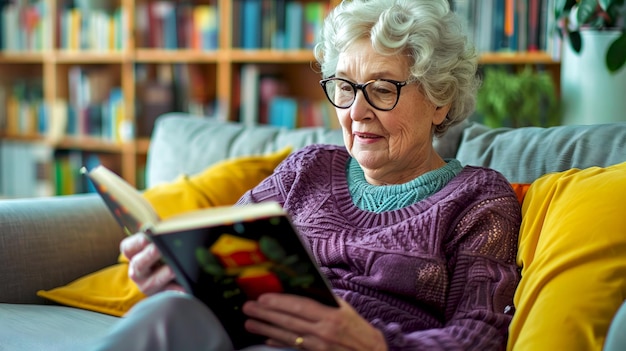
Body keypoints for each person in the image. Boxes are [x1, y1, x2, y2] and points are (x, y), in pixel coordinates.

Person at [91, 0, 521, 350]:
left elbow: (479, 334)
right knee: (168, 311)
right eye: (345, 88)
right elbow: (224, 263)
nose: (356, 112)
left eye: (383, 89)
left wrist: (372, 344)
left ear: (440, 100)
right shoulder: (307, 168)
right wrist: (179, 276)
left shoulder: (478, 198)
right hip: (246, 334)